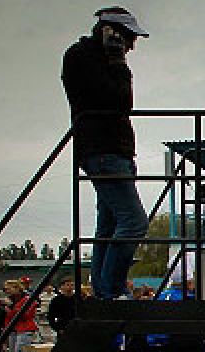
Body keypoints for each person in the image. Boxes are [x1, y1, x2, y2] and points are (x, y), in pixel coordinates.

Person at [61, 7, 150, 300]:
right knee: (134, 222)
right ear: (110, 32)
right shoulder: (80, 58)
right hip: (103, 150)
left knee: (109, 223)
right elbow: (118, 101)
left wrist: (116, 62)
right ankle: (110, 289)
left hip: (114, 151)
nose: (131, 45)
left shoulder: (101, 60)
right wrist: (116, 62)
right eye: (128, 38)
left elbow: (122, 101)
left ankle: (105, 290)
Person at [3, 281, 38, 352]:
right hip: (12, 330)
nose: (6, 291)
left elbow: (25, 315)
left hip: (25, 329)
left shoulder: (28, 299)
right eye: (5, 289)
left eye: (8, 289)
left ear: (17, 288)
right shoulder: (7, 300)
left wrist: (11, 306)